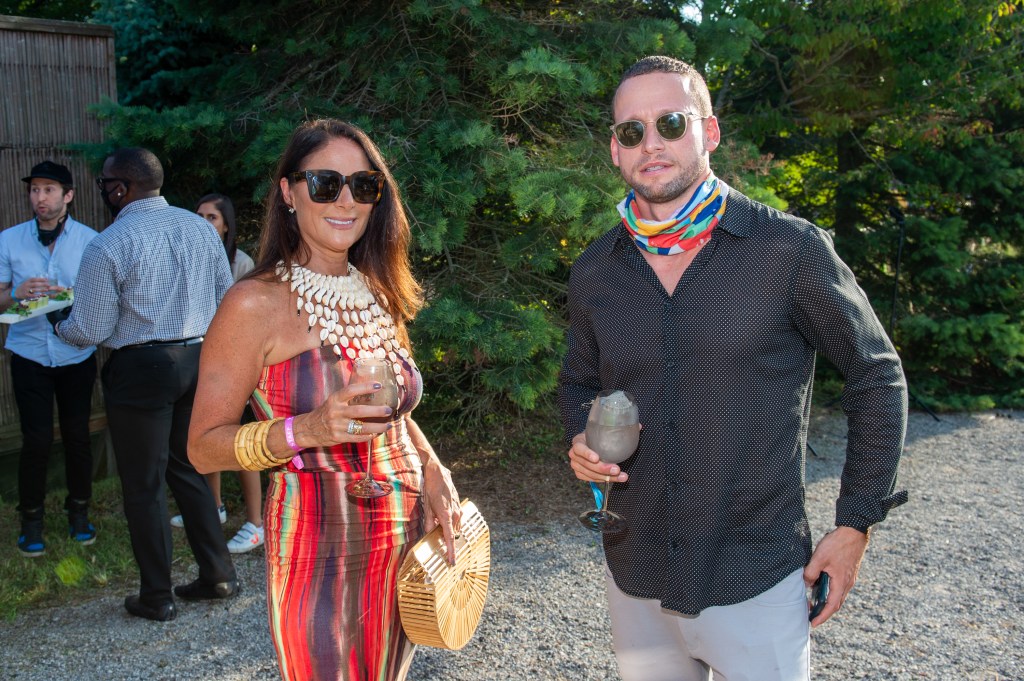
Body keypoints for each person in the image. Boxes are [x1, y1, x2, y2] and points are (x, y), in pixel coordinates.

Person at [558, 56, 909, 681]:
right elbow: (579, 383)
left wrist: (856, 522)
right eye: (632, 131)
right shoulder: (595, 271)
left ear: (709, 132)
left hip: (757, 577)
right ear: (616, 150)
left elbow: (875, 374)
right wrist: (580, 440)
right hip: (636, 572)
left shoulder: (787, 250)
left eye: (670, 122)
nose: (652, 143)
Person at [188, 119, 462, 680]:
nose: (346, 200)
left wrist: (433, 469)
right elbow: (202, 449)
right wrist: (305, 430)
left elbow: (393, 414)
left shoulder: (376, 289)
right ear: (288, 193)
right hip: (317, 545)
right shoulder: (252, 304)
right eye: (325, 184)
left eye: (364, 186)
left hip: (402, 531)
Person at [52, 147, 238, 622]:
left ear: (121, 188)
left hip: (141, 368)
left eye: (105, 184)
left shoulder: (108, 244)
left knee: (143, 485)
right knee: (190, 467)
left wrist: (59, 324)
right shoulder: (199, 227)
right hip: (199, 359)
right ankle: (219, 575)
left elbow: (89, 329)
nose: (103, 193)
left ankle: (157, 596)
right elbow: (226, 298)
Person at [0, 161, 99, 557]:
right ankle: (32, 522)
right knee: (36, 440)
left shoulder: (90, 241)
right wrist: (18, 291)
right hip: (28, 354)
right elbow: (0, 297)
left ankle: (79, 514)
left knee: (77, 435)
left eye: (48, 190)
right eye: (34, 190)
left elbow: (100, 299)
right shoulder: (8, 239)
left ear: (68, 195)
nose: (39, 198)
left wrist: (70, 295)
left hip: (76, 352)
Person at [168, 193, 264, 555]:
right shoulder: (188, 261)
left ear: (226, 225)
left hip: (239, 364)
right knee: (206, 435)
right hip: (202, 362)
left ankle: (255, 522)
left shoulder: (242, 263)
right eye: (198, 215)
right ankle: (215, 507)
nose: (203, 222)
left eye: (211, 217)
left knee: (241, 443)